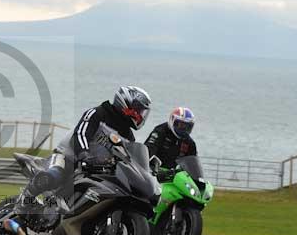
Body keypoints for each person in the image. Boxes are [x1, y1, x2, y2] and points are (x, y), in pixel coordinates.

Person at [14, 86, 152, 220]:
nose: (139, 115)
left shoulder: (129, 136)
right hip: (68, 157)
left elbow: (128, 159)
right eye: (138, 110)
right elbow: (81, 134)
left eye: (142, 113)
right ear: (125, 102)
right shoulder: (98, 113)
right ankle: (23, 202)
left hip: (96, 170)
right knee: (54, 175)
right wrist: (84, 154)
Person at [145, 107, 197, 179]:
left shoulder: (189, 142)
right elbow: (149, 149)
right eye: (181, 125)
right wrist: (152, 163)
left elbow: (193, 162)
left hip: (175, 176)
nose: (184, 129)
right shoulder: (160, 131)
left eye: (187, 126)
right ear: (172, 121)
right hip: (155, 174)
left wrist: (197, 178)